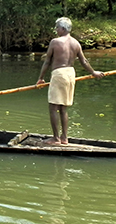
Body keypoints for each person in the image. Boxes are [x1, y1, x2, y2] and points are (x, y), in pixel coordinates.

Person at [36, 17, 104, 145]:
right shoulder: (76, 43)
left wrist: (41, 78)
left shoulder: (55, 42)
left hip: (59, 74)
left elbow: (47, 61)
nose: (56, 30)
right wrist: (93, 72)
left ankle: (56, 138)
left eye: (57, 28)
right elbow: (84, 61)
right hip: (70, 74)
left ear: (63, 29)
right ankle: (64, 138)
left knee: (53, 107)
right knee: (63, 108)